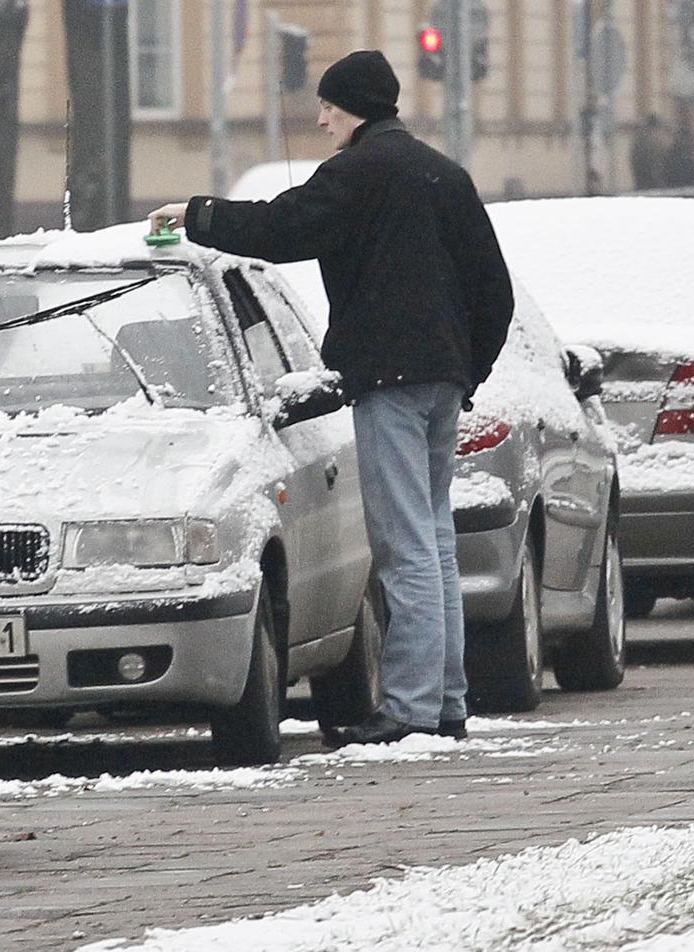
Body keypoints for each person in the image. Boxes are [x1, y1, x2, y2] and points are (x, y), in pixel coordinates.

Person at [148, 50, 513, 746]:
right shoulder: (445, 175)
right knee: (434, 541)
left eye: (329, 108)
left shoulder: (359, 173)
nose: (320, 121)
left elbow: (283, 228)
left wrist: (196, 215)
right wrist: (468, 371)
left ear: (356, 109)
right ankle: (445, 701)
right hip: (441, 384)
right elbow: (493, 288)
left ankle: (411, 708)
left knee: (403, 546)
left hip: (389, 384)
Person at [630, 114, 669, 190]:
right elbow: (658, 161)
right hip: (652, 177)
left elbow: (633, 158)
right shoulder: (655, 138)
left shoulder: (640, 138)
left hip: (642, 176)